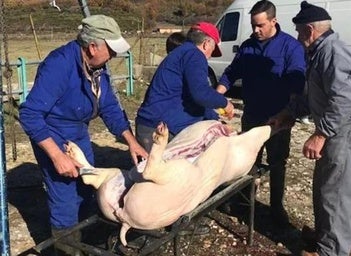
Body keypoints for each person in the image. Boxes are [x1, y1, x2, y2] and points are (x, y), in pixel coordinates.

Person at [19, 14, 148, 254]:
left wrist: (131, 142)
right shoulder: (59, 65)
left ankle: (88, 242)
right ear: (92, 47)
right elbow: (30, 114)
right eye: (111, 49)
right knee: (66, 197)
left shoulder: (98, 67)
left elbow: (109, 107)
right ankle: (67, 248)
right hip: (53, 133)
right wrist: (57, 156)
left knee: (88, 186)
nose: (114, 55)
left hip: (77, 132)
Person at [269, 1, 351, 255]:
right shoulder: (319, 52)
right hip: (335, 129)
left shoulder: (332, 53)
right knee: (324, 188)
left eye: (300, 33)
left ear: (309, 30)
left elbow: (344, 101)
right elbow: (314, 95)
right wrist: (287, 113)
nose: (299, 39)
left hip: (345, 131)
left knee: (337, 195)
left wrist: (320, 134)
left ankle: (331, 251)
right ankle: (324, 239)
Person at [215, 0, 306, 225]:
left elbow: (297, 80)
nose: (256, 30)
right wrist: (218, 92)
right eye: (253, 25)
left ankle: (276, 207)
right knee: (247, 160)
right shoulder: (247, 46)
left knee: (277, 162)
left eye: (261, 25)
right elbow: (231, 71)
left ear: (273, 21)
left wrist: (290, 112)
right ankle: (244, 202)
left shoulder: (290, 47)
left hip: (278, 117)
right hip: (252, 115)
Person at [135, 22, 234, 152]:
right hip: (159, 130)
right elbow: (201, 93)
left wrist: (213, 117)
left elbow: (192, 97)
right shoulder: (195, 55)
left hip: (149, 125)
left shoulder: (181, 53)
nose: (210, 56)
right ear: (206, 44)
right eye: (212, 49)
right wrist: (225, 103)